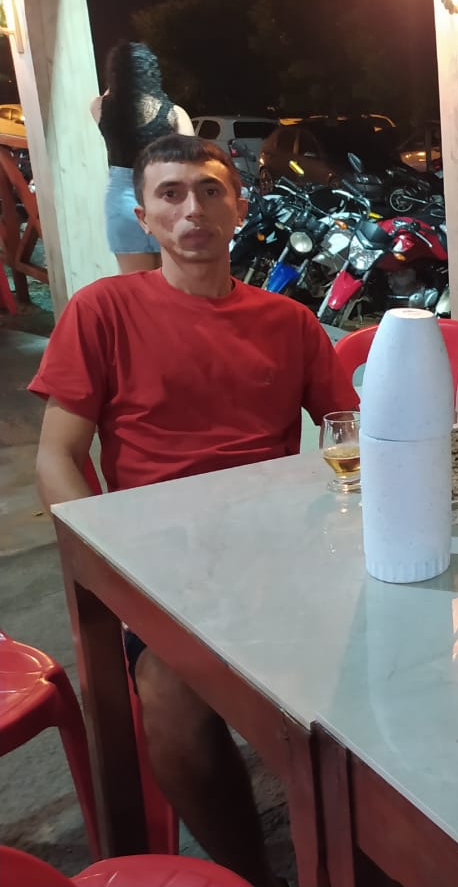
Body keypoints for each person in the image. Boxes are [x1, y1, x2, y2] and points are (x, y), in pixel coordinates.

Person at [30, 134, 357, 887]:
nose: (193, 210)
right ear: (145, 217)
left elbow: (351, 435)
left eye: (210, 191)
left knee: (387, 657)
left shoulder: (289, 321)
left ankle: (364, 847)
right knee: (171, 702)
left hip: (283, 550)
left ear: (238, 208)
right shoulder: (103, 310)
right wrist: (110, 562)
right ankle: (251, 874)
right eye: (171, 194)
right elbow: (56, 456)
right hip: (166, 563)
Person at [91, 41, 195, 274]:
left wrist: (119, 80)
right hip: (167, 199)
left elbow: (108, 94)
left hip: (122, 201)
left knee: (134, 284)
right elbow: (190, 165)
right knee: (173, 281)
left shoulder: (99, 107)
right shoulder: (175, 114)